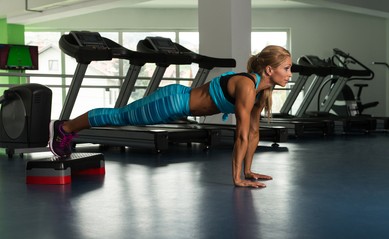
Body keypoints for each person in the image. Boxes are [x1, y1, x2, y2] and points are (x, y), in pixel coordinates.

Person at [49, 45, 292, 188]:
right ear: (270, 70)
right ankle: (65, 128)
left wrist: (248, 172)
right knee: (120, 116)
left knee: (120, 116)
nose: (289, 74)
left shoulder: (263, 92)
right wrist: (237, 178)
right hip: (173, 102)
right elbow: (240, 135)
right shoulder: (247, 86)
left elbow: (253, 132)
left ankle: (67, 129)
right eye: (286, 68)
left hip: (181, 104)